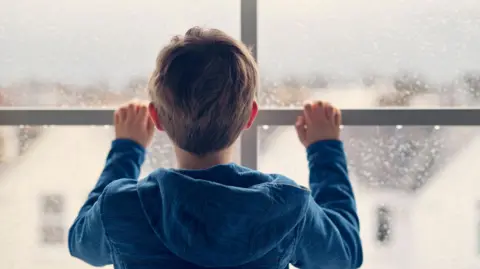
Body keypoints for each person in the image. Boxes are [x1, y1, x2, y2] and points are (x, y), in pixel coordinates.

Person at [68, 27, 363, 269]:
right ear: (250, 117)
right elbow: (345, 254)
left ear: (156, 118)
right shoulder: (286, 206)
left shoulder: (123, 207)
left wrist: (126, 149)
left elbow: (81, 244)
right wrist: (325, 149)